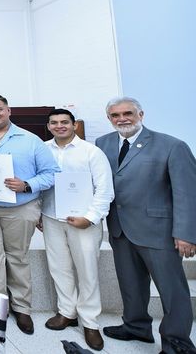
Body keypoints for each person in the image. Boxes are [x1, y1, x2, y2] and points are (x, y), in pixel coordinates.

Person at [95, 97, 196, 354]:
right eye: (115, 115)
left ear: (141, 114)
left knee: (172, 290)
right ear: (109, 118)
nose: (122, 119)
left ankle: (176, 341)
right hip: (119, 229)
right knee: (130, 284)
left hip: (159, 231)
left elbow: (187, 193)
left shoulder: (172, 145)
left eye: (128, 113)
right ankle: (136, 326)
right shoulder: (102, 143)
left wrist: (186, 234)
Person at [0, 94, 59, 334]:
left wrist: (26, 184)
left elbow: (52, 173)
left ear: (9, 111)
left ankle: (22, 308)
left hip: (21, 208)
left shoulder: (30, 140)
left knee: (17, 257)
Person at [38, 108, 113, 351]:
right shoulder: (43, 150)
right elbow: (40, 183)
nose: (59, 126)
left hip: (83, 221)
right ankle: (67, 312)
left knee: (87, 271)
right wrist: (39, 213)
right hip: (51, 218)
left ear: (74, 125)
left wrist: (90, 218)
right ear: (48, 126)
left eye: (64, 122)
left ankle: (90, 322)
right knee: (59, 268)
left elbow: (104, 189)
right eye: (54, 123)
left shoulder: (91, 152)